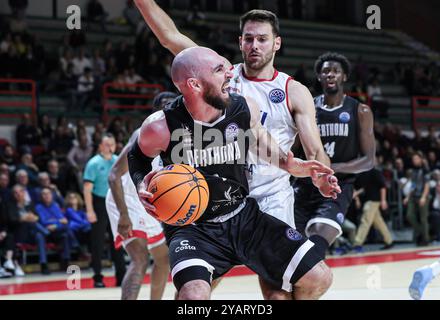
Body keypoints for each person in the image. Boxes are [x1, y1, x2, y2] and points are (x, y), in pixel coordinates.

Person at [132, 0, 337, 299]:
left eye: (262, 39)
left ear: (276, 43)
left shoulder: (292, 91)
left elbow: (312, 151)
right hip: (204, 198)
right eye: (248, 38)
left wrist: (317, 175)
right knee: (193, 293)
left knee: (279, 294)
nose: (254, 45)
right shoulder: (220, 73)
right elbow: (169, 36)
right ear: (239, 42)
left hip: (267, 199)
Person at [293, 52, 376, 259]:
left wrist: (331, 168)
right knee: (292, 248)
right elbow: (292, 149)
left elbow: (369, 160)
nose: (331, 75)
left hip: (338, 188)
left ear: (344, 77)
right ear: (319, 77)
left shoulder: (360, 111)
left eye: (336, 71)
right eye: (326, 71)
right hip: (304, 186)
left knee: (316, 244)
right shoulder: (307, 107)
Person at [107, 129, 170, 300]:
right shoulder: (144, 133)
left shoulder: (178, 133)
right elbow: (113, 176)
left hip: (144, 201)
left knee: (164, 259)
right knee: (140, 259)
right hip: (124, 199)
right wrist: (123, 214)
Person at [83, 133, 126, 288]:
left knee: (118, 240)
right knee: (98, 243)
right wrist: (90, 210)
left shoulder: (118, 161)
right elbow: (87, 189)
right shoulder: (93, 163)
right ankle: (98, 277)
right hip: (99, 204)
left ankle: (121, 277)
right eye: (107, 144)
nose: (110, 147)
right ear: (100, 146)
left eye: (112, 144)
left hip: (115, 203)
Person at [352, 157, 394, 251]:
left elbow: (383, 187)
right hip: (369, 200)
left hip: (374, 200)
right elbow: (364, 188)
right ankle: (389, 241)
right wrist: (356, 194)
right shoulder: (364, 173)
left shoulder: (376, 172)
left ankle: (357, 243)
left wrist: (383, 200)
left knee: (365, 221)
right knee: (379, 222)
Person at [404, 152, 431, 246]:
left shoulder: (425, 170)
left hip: (423, 196)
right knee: (409, 215)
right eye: (413, 159)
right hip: (414, 196)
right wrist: (407, 197)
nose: (414, 161)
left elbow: (427, 185)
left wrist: (423, 197)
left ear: (420, 159)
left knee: (423, 219)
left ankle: (426, 239)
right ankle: (423, 232)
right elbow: (413, 185)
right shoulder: (413, 171)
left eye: (416, 159)